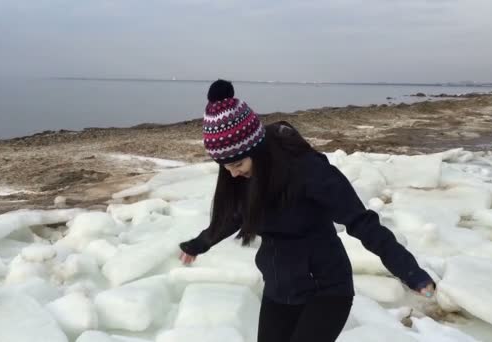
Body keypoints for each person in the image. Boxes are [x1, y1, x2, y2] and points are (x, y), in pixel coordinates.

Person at [178, 79, 435, 342]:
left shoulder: (309, 171)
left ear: (257, 148)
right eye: (225, 167)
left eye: (237, 164)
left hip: (326, 289)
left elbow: (361, 221)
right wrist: (199, 243)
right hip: (281, 286)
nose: (233, 174)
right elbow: (235, 215)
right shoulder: (245, 177)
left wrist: (409, 270)